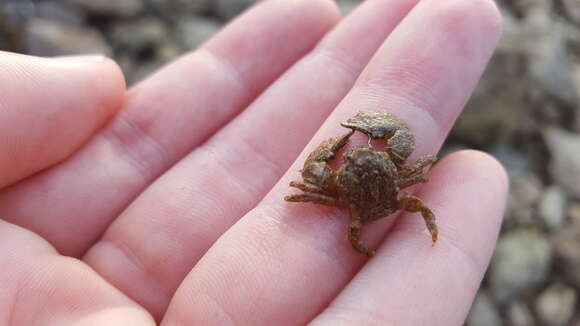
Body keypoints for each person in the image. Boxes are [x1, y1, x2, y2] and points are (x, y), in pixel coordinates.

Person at [0, 0, 506, 324]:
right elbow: (416, 176)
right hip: (383, 201)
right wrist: (388, 178)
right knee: (419, 201)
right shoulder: (396, 173)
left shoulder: (332, 190)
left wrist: (343, 157)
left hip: (357, 206)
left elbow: (309, 180)